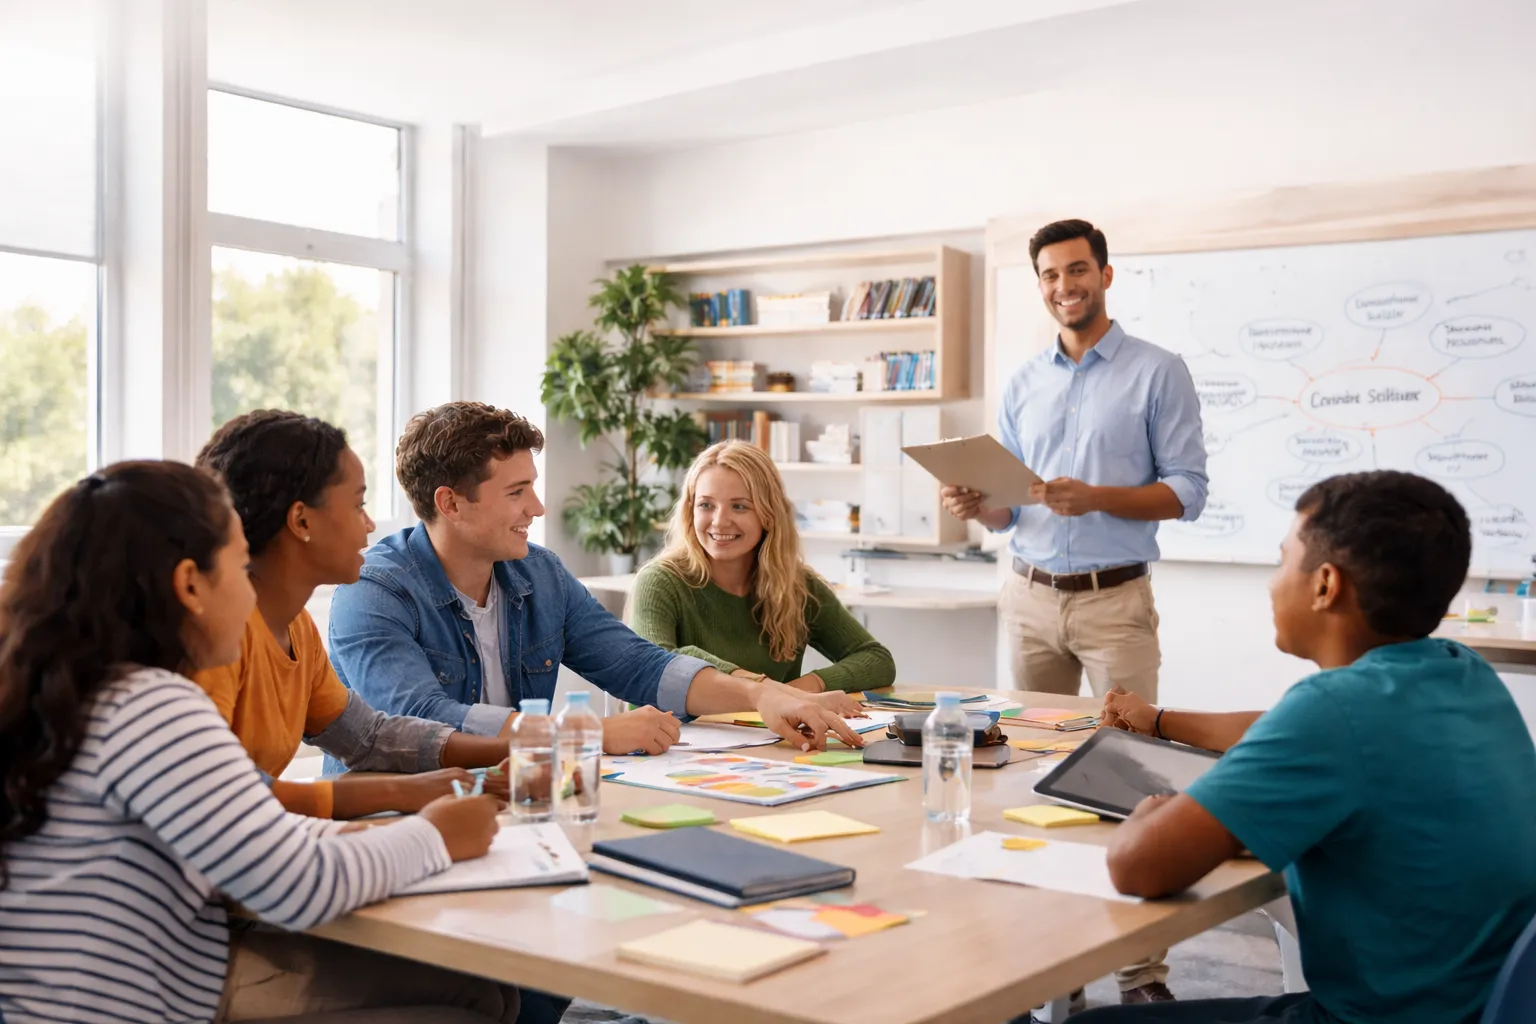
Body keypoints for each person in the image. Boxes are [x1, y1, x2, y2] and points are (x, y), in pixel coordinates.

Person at [0, 461, 520, 1024]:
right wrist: (436, 835)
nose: (250, 591)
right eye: (238, 566)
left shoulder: (75, 690)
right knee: (470, 1005)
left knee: (482, 993)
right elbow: (295, 886)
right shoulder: (148, 707)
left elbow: (249, 828)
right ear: (190, 584)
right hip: (145, 999)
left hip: (81, 995)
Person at [1084, 470, 1536, 1024]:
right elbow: (1287, 730)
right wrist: (1160, 721)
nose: (1272, 583)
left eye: (1282, 561)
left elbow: (1137, 867)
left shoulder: (1332, 712)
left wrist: (1152, 810)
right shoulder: (1463, 672)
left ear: (1325, 585)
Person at [948, 218, 1207, 1005]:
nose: (1065, 286)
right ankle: (1051, 967)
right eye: (1051, 275)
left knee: (1133, 781)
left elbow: (1187, 492)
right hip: (1028, 596)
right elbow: (1010, 510)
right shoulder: (1024, 381)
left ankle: (1142, 977)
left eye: (1077, 270)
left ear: (1105, 274)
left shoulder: (1158, 371)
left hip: (1113, 600)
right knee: (1031, 775)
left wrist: (1096, 497)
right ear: (1040, 285)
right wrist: (979, 505)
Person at [327, 402, 863, 756]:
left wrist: (760, 696)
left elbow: (638, 664)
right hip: (394, 818)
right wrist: (585, 735)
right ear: (450, 503)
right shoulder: (373, 591)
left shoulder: (539, 574)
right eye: (516, 492)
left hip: (511, 802)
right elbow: (423, 720)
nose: (537, 507)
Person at [193, 409, 513, 819]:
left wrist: (514, 749)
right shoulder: (217, 639)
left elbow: (367, 736)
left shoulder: (295, 627)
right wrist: (403, 794)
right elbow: (223, 795)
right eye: (358, 504)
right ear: (301, 520)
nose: (369, 524)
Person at [629, 440, 895, 695]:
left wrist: (799, 690)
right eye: (706, 505)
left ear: (769, 514)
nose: (719, 521)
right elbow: (656, 664)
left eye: (739, 506)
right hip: (679, 729)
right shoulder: (659, 582)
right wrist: (759, 688)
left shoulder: (797, 585)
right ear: (691, 511)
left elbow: (876, 659)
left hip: (770, 728)